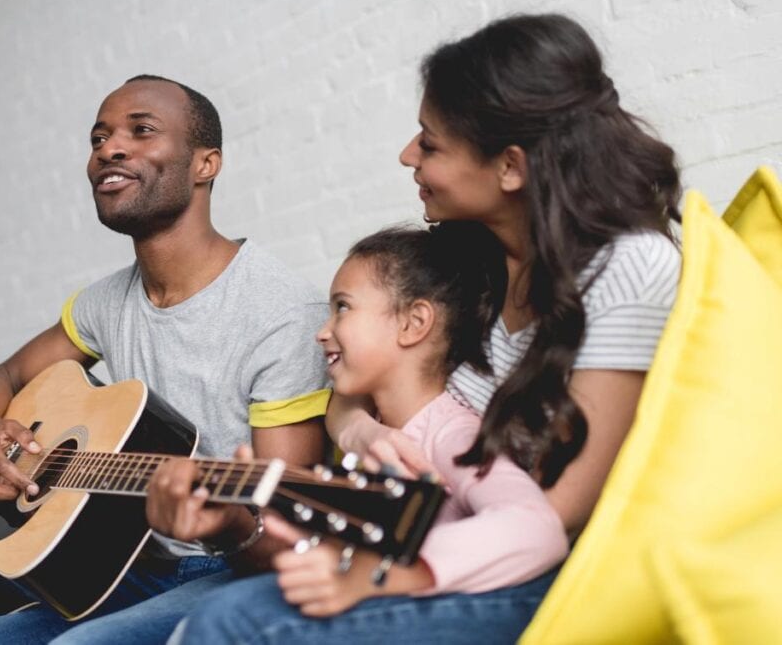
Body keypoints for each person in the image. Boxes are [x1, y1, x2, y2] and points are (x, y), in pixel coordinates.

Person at [175, 12, 683, 643]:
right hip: (445, 536)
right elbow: (353, 392)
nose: (407, 156)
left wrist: (387, 574)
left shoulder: (630, 267)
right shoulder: (474, 255)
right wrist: (361, 430)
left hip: (552, 571)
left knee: (234, 621)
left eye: (431, 143)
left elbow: (559, 514)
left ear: (510, 167)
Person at [0, 74, 330, 644]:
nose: (110, 148)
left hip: (232, 572)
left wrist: (220, 523)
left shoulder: (282, 313)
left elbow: (280, 530)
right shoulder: (104, 304)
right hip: (126, 568)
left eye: (141, 130)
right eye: (98, 137)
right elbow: (0, 377)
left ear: (206, 164)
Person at [177, 221, 570, 643]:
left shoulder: (451, 433)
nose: (321, 331)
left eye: (342, 308)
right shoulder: (368, 428)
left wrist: (397, 573)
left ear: (413, 323)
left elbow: (536, 525)